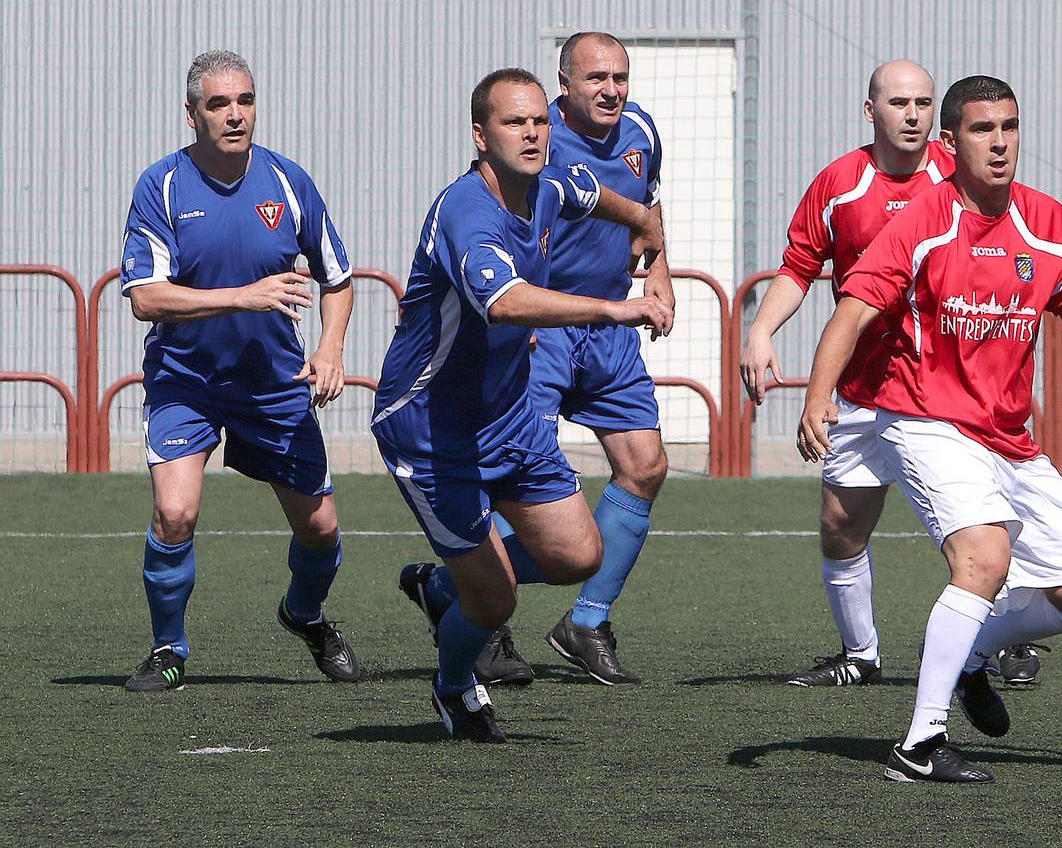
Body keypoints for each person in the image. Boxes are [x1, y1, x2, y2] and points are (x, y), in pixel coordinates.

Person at [797, 75, 1062, 783]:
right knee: (983, 558)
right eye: (981, 129)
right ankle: (919, 745)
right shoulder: (922, 221)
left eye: (1009, 126)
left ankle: (971, 652)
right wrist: (819, 396)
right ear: (951, 141)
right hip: (927, 420)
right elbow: (852, 310)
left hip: (1009, 437)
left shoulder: (1050, 224)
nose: (999, 142)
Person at [374, 68, 671, 742]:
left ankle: (443, 587)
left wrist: (643, 229)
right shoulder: (466, 211)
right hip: (431, 428)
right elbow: (504, 302)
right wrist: (612, 307)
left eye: (539, 120)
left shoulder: (549, 185)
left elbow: (594, 193)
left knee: (579, 556)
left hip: (505, 415)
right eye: (514, 122)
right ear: (481, 136)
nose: (532, 133)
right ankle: (454, 687)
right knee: (495, 599)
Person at [119, 50, 360, 691]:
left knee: (321, 531)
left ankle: (303, 614)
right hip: (186, 382)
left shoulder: (288, 181)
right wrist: (242, 296)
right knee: (174, 514)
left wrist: (330, 350)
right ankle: (168, 649)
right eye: (219, 104)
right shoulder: (161, 186)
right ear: (192, 114)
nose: (235, 115)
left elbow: (338, 280)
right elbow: (146, 297)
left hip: (274, 384)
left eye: (245, 101)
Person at [741, 60, 952, 688]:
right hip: (860, 388)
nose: (912, 115)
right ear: (870, 111)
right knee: (840, 524)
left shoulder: (958, 176)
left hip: (942, 392)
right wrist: (760, 330)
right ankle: (860, 655)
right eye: (899, 103)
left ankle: (1001, 641)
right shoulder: (839, 183)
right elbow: (799, 266)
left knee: (972, 525)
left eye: (923, 103)